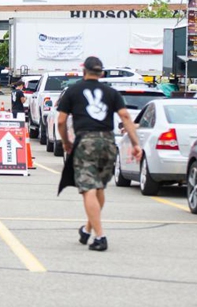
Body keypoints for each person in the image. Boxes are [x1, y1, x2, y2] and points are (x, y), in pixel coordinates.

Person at [56, 56, 141, 252]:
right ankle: (87, 229)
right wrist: (136, 144)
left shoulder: (73, 91)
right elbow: (125, 116)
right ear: (101, 73)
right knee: (99, 187)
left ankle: (100, 236)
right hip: (108, 141)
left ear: (83, 71)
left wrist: (66, 141)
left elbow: (61, 121)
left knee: (88, 189)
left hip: (86, 140)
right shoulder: (111, 92)